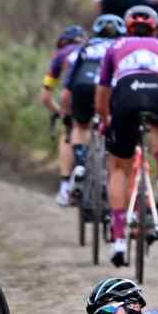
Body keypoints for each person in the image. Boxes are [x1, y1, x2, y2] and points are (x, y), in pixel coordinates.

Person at [96, 5, 158, 266]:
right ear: (155, 28)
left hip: (126, 96)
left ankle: (117, 240)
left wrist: (107, 122)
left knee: (119, 167)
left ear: (126, 28)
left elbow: (102, 95)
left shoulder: (115, 47)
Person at [61, 14, 127, 203]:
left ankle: (81, 164)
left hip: (82, 86)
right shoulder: (122, 47)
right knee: (115, 127)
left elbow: (67, 89)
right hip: (111, 89)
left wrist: (66, 114)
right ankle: (112, 172)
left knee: (80, 126)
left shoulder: (85, 49)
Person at [42, 25, 87, 205]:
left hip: (75, 96)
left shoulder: (60, 55)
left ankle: (65, 186)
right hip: (102, 94)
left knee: (70, 130)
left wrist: (60, 113)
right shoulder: (94, 49)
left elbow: (45, 97)